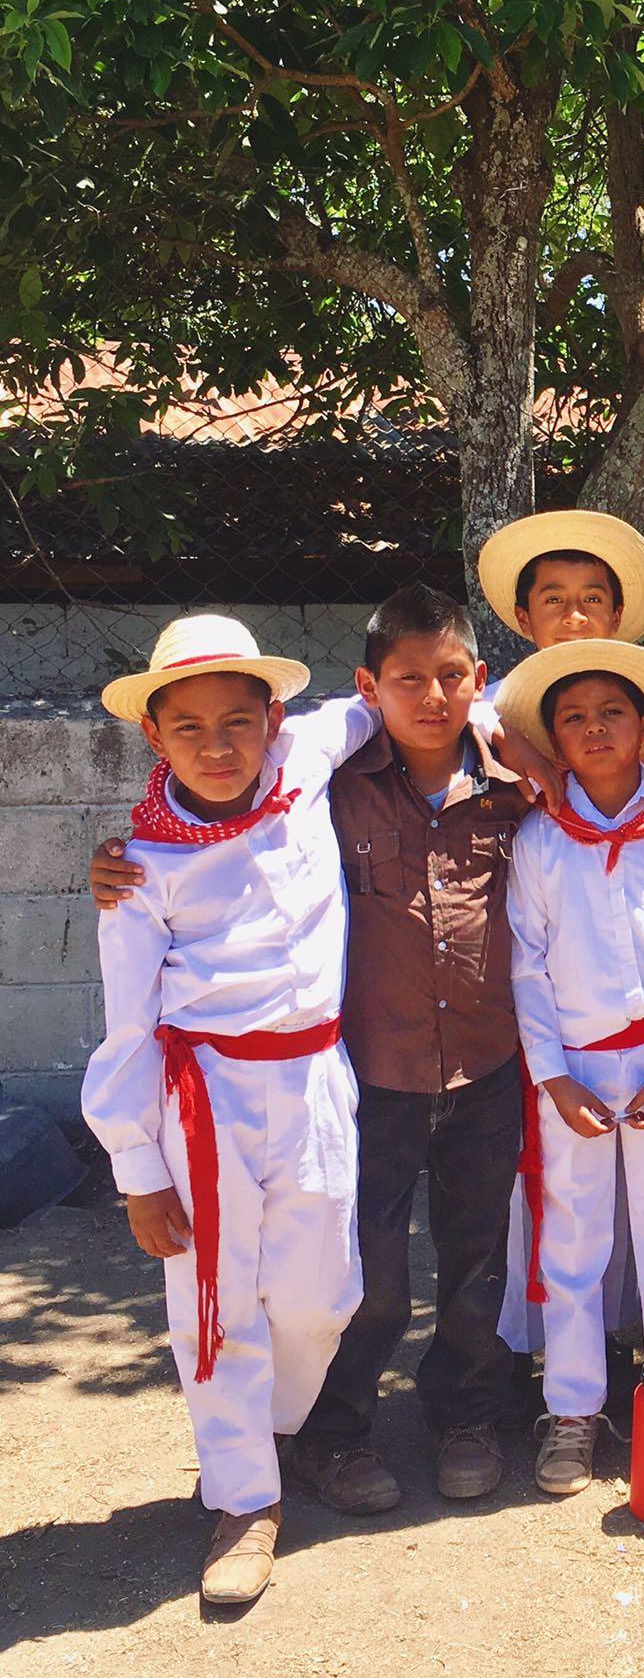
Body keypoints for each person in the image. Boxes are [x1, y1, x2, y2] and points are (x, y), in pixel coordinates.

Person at [85, 615, 384, 1605]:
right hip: (202, 1098)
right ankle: (244, 1499)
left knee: (322, 1294)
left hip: (313, 1079)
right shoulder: (138, 867)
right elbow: (128, 1026)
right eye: (189, 728)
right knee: (214, 1302)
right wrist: (138, 1170)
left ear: (275, 718)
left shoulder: (306, 759)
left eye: (237, 722)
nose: (217, 748)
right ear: (153, 736)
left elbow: (394, 697)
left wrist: (503, 724)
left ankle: (272, 1433)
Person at [291, 585, 535, 1515]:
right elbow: (233, 829)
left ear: (480, 678)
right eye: (407, 680)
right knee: (369, 1272)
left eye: (450, 676)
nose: (432, 697)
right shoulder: (330, 788)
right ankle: (333, 1431)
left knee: (477, 1258)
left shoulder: (519, 787)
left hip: (487, 1063)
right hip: (372, 1074)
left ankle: (466, 1415)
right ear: (369, 687)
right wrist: (135, 858)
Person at [497, 640, 644, 1496]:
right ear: (554, 740)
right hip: (574, 1071)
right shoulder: (540, 841)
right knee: (573, 1242)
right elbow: (526, 966)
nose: (595, 730)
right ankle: (572, 1410)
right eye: (574, 718)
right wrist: (552, 1077)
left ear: (643, 726)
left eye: (612, 714)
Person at [474, 507, 644, 663]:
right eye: (553, 599)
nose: (574, 617)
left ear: (616, 617)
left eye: (592, 599)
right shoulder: (501, 700)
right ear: (524, 619)